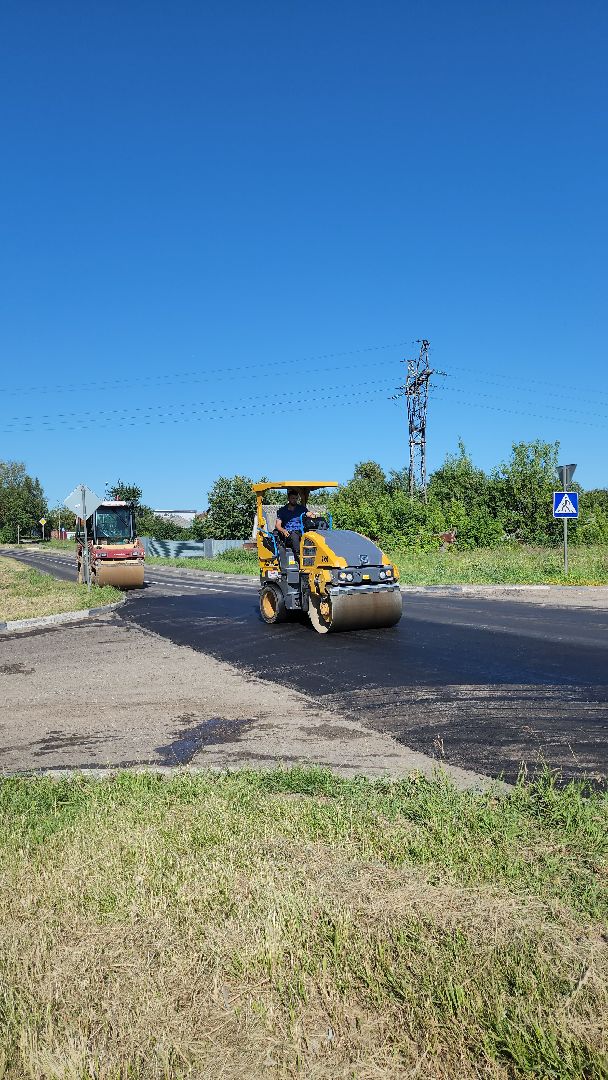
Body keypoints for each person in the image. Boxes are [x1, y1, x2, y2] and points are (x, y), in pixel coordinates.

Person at [275, 488, 314, 564]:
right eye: (293, 498)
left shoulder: (301, 509)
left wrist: (313, 515)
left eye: (296, 498)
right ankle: (299, 556)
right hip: (289, 533)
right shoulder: (282, 510)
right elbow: (278, 525)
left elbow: (309, 514)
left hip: (301, 532)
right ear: (289, 498)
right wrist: (283, 530)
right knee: (294, 535)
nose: (294, 500)